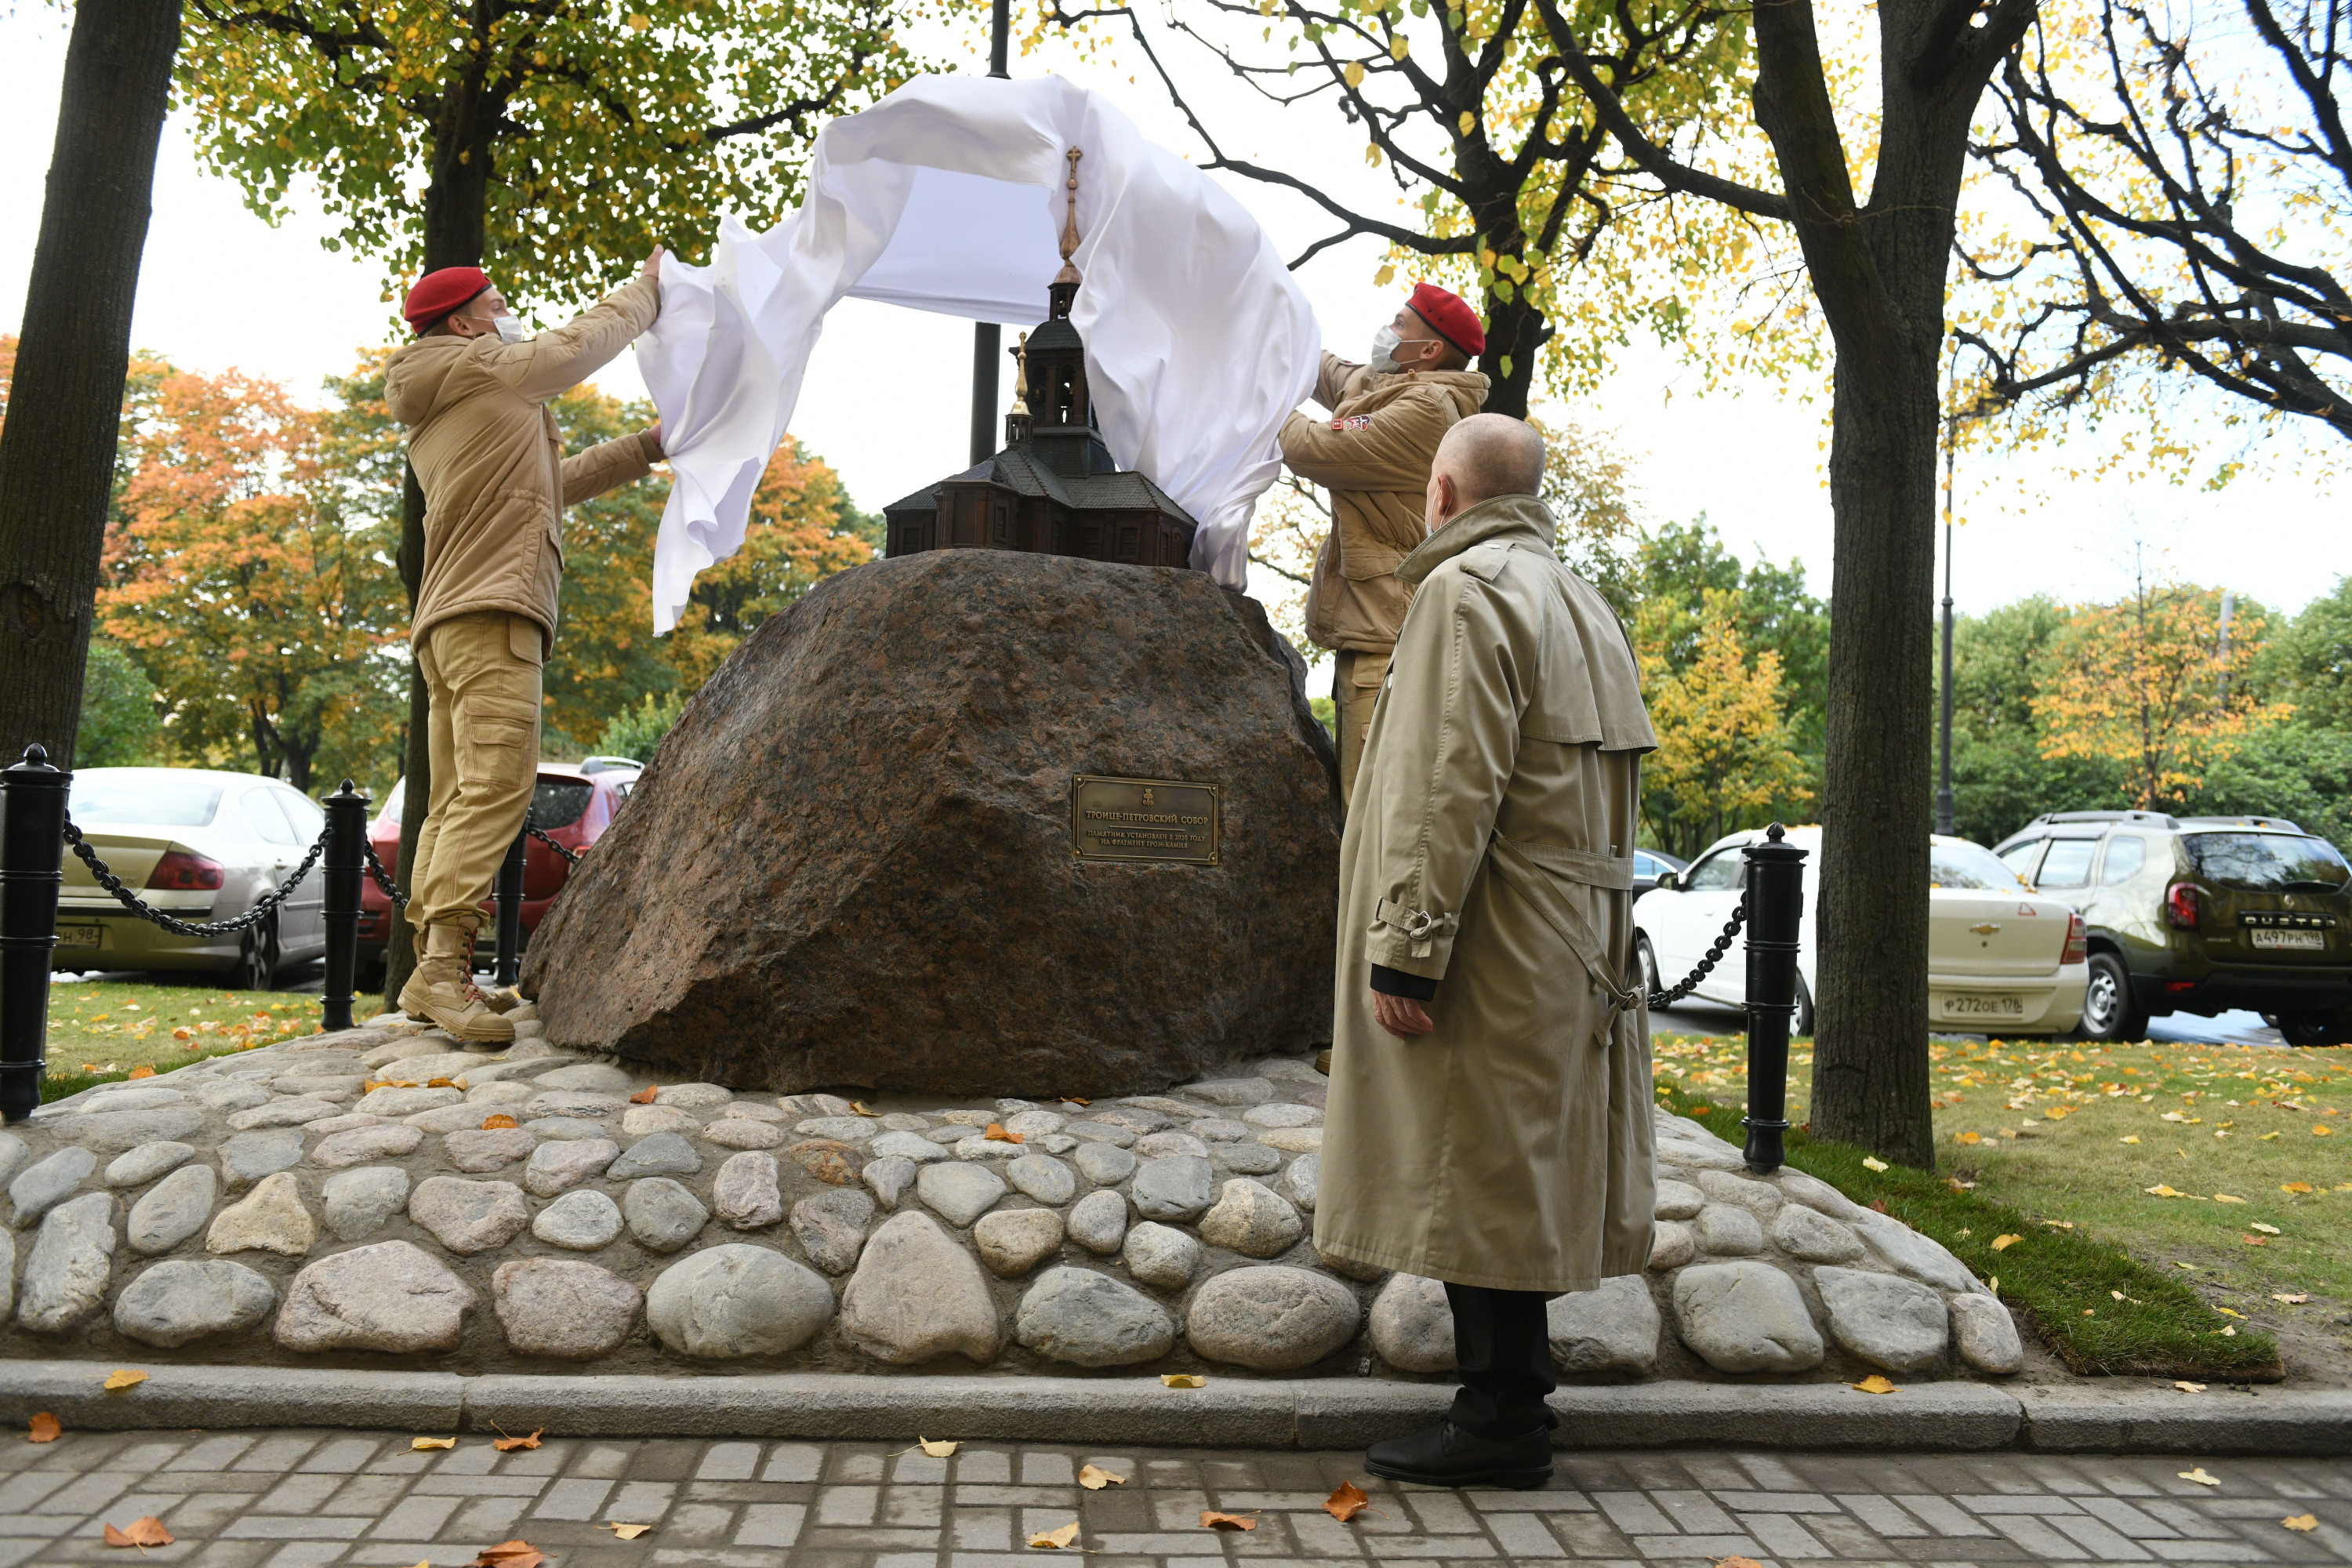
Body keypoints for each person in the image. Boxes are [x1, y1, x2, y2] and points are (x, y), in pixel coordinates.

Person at [1314, 412, 1659, 1490]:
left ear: (1446, 496)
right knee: (1510, 1177)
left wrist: (1407, 951)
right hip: (1566, 940)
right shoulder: (1580, 601)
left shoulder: (1465, 595)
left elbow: (1442, 784)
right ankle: (1511, 1403)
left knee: (1477, 1175)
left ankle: (1500, 1419)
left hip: (1492, 936)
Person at [384, 255, 668, 1041]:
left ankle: (430, 970)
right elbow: (578, 344)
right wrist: (648, 290)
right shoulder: (487, 368)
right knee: (497, 788)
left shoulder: (450, 396)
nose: (508, 314)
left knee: (455, 797)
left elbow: (553, 482)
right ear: (467, 319)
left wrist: (648, 446)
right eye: (498, 303)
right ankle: (444, 973)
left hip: (453, 621)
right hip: (492, 616)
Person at [1279, 284, 1489, 806]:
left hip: (1386, 650)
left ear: (1428, 350)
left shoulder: (1427, 409)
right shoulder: (1395, 384)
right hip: (1373, 641)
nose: (1386, 330)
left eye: (1399, 323)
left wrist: (1254, 395)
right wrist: (1261, 311)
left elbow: (1312, 446)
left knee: (1370, 815)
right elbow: (1326, 371)